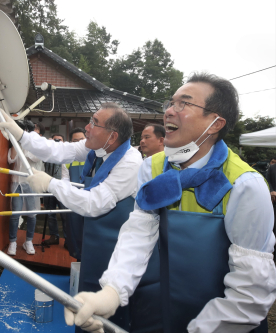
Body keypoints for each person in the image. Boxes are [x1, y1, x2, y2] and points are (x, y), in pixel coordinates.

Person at [65, 73, 276, 333]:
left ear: (215, 123)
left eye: (184, 104)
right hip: (159, 311)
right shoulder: (152, 168)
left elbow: (251, 291)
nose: (169, 112)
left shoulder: (245, 184)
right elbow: (138, 234)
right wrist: (111, 291)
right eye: (170, 103)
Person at [0, 103, 157, 331]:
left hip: (117, 248)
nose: (87, 127)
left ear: (112, 136)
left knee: (109, 308)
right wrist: (21, 135)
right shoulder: (98, 149)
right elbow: (59, 151)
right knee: (87, 298)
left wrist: (50, 184)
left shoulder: (131, 162)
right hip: (94, 242)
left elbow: (94, 203)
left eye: (94, 123)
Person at [7, 120, 42, 256]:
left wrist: (26, 142)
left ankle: (28, 241)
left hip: (31, 183)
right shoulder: (17, 143)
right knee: (15, 214)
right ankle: (12, 241)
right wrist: (17, 142)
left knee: (32, 215)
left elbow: (36, 158)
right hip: (17, 183)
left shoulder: (35, 145)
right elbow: (10, 159)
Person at [63, 128, 87, 259]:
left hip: (92, 200)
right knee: (75, 233)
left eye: (82, 140)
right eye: (75, 141)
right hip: (74, 201)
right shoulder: (67, 159)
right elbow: (64, 180)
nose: (79, 143)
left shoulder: (95, 156)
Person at [43, 134, 68, 246]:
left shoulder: (68, 154)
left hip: (63, 188)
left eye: (60, 141)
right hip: (49, 186)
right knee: (50, 213)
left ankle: (68, 239)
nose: (58, 143)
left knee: (65, 215)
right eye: (55, 141)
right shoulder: (48, 154)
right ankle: (54, 236)